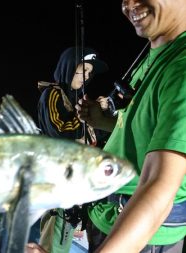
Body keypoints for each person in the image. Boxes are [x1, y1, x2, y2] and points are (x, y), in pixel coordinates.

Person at [76, 0, 186, 252]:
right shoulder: (155, 53)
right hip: (107, 215)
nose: (130, 4)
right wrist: (101, 120)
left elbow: (158, 186)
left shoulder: (182, 67)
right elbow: (144, 127)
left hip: (139, 233)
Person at [35, 46, 108, 253]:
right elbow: (61, 131)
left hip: (78, 177)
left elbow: (96, 134)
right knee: (55, 233)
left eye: (88, 72)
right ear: (67, 68)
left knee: (70, 228)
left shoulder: (78, 99)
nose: (85, 76)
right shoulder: (52, 93)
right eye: (81, 70)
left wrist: (102, 117)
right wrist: (88, 114)